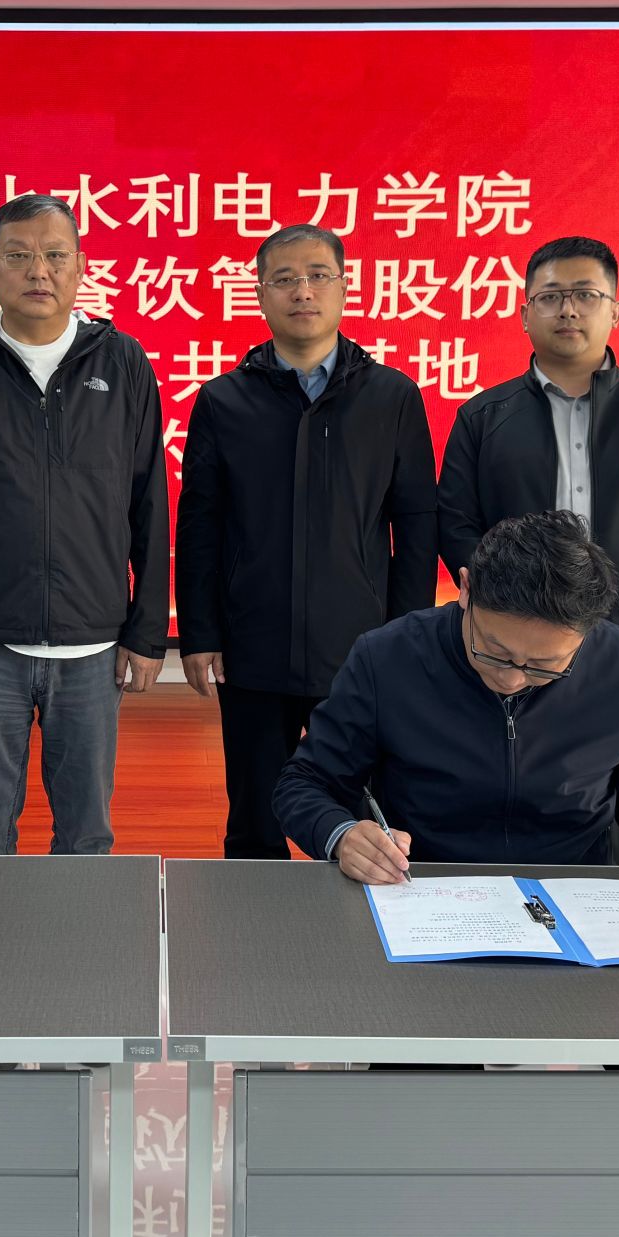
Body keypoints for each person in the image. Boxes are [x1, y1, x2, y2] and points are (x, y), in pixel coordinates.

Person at [278, 511, 619, 1237]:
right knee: (440, 1104)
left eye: (543, 668)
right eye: (494, 653)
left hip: (579, 913)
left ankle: (598, 1230)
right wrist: (341, 833)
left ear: (586, 639)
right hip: (433, 909)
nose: (511, 678)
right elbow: (305, 783)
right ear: (464, 590)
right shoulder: (389, 656)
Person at [0, 192, 168, 856]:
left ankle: (79, 932)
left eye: (54, 255)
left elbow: (149, 503)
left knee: (87, 837)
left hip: (93, 646)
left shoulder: (123, 363)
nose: (38, 271)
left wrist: (146, 631)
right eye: (18, 256)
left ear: (80, 266)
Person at [175, 223, 437, 859]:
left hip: (359, 650)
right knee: (255, 818)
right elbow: (200, 526)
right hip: (252, 646)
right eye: (285, 279)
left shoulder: (392, 397)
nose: (303, 291)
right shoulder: (223, 400)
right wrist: (201, 633)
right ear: (260, 294)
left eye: (319, 276)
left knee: (362, 817)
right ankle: (253, 920)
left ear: (344, 288)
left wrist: (407, 637)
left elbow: (416, 525)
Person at [437, 235, 619, 676]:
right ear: (525, 315)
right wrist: (513, 621)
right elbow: (456, 524)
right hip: (511, 654)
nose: (568, 310)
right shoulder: (482, 416)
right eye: (550, 297)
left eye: (586, 295)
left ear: (615, 311)